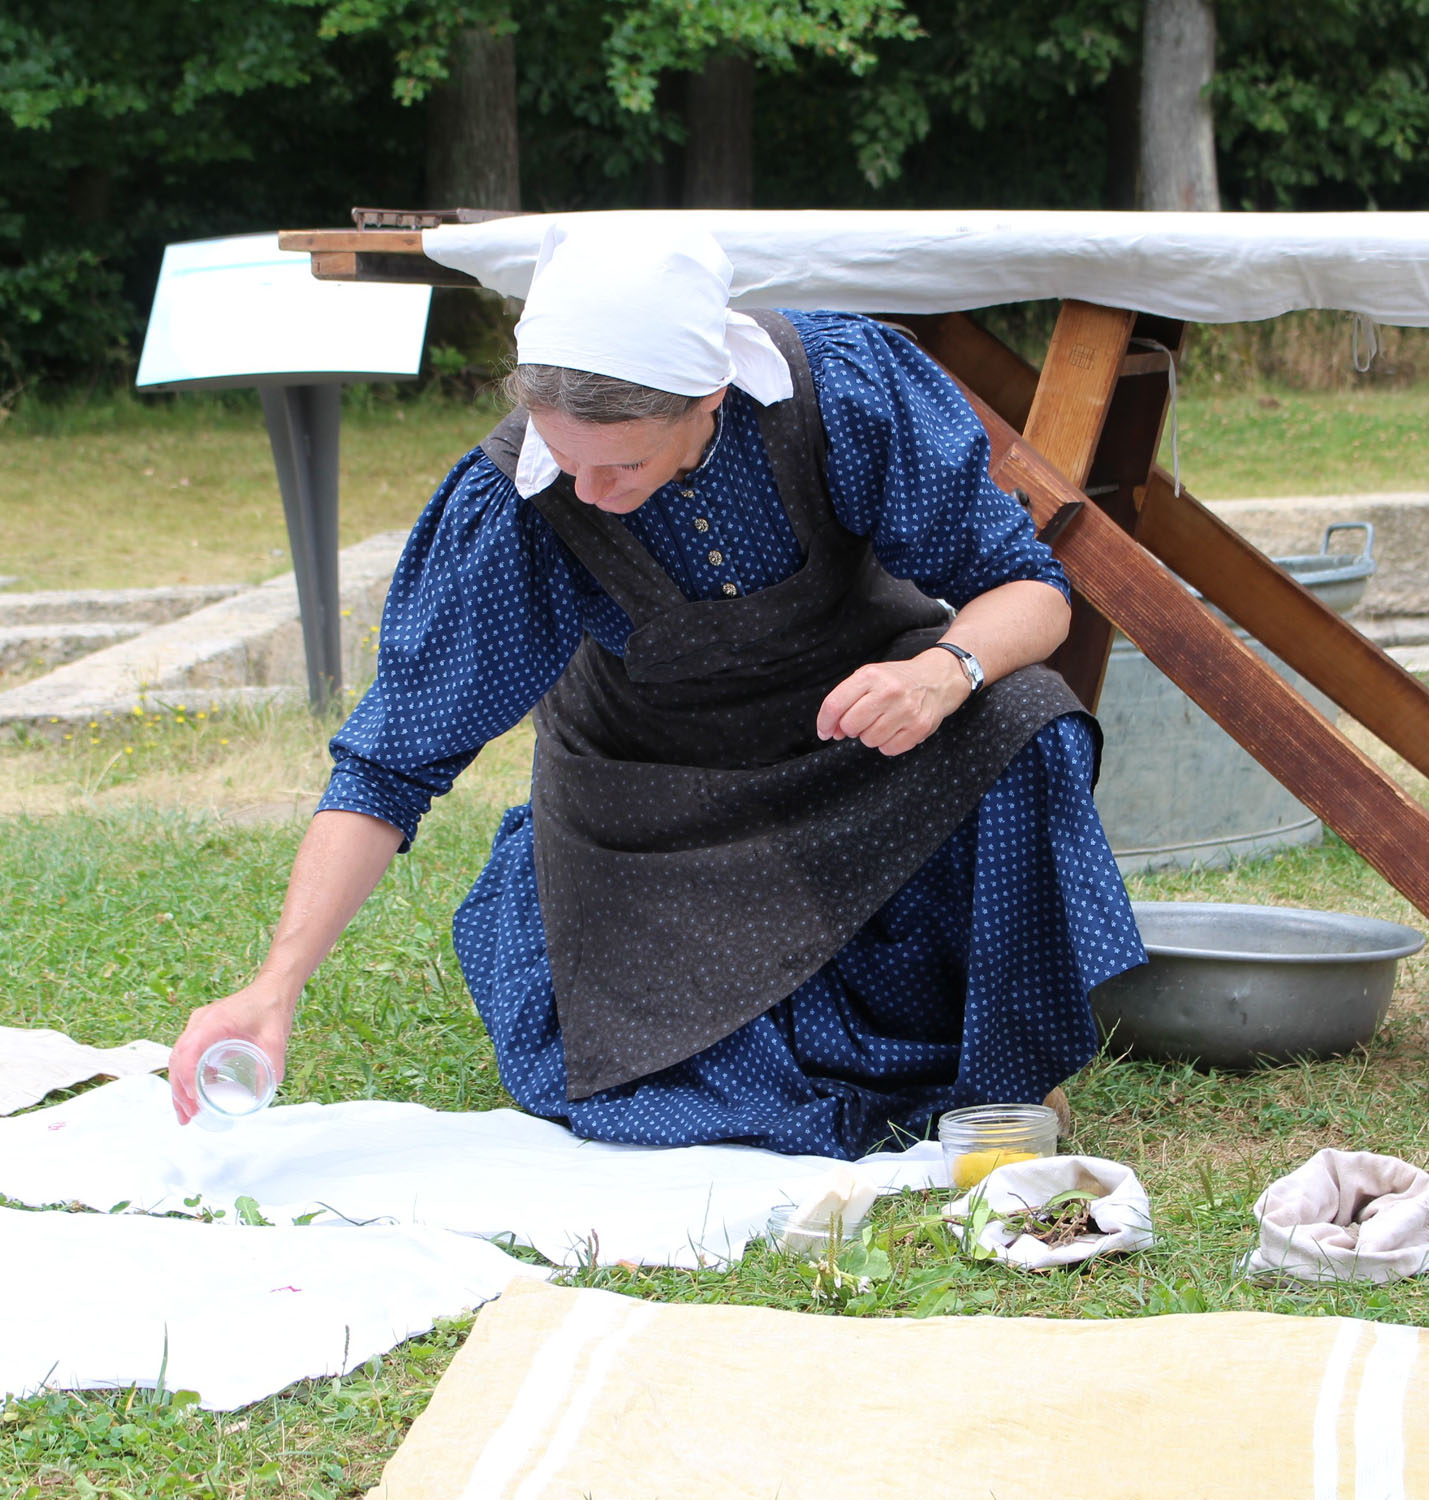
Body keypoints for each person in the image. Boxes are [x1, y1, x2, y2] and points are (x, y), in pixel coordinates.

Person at [168, 222, 1145, 1160]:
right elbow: (391, 760)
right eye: (567, 459)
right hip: (659, 809)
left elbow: (1031, 590)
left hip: (863, 751)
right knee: (686, 1092)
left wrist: (943, 671)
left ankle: (1003, 1073)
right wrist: (275, 984)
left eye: (623, 462)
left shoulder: (840, 392)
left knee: (1026, 717)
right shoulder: (518, 502)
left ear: (709, 395)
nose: (590, 492)